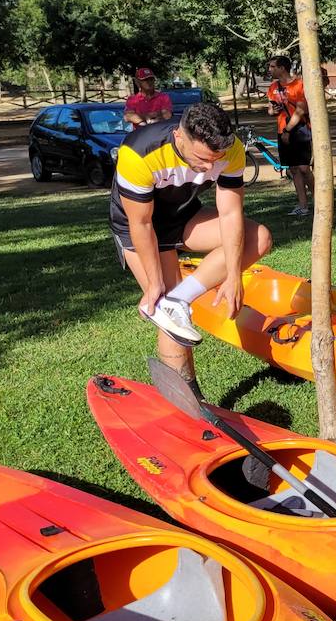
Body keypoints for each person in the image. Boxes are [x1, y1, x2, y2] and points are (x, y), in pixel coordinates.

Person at [110, 101, 273, 399]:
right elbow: (142, 223)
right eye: (202, 159)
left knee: (258, 238)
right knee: (169, 311)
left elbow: (230, 215)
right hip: (139, 227)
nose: (209, 168)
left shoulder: (232, 149)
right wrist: (155, 283)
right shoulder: (138, 153)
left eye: (216, 159)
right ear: (179, 137)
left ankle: (177, 301)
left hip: (183, 216)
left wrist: (234, 276)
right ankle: (188, 398)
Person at [265, 55, 314, 217]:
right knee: (294, 169)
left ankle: (319, 201)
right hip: (282, 130)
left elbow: (300, 111)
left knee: (304, 168)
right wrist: (274, 111)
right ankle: (303, 205)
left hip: (299, 129)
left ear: (282, 68)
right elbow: (270, 110)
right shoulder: (273, 87)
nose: (270, 70)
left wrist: (287, 130)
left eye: (273, 67)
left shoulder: (299, 85)